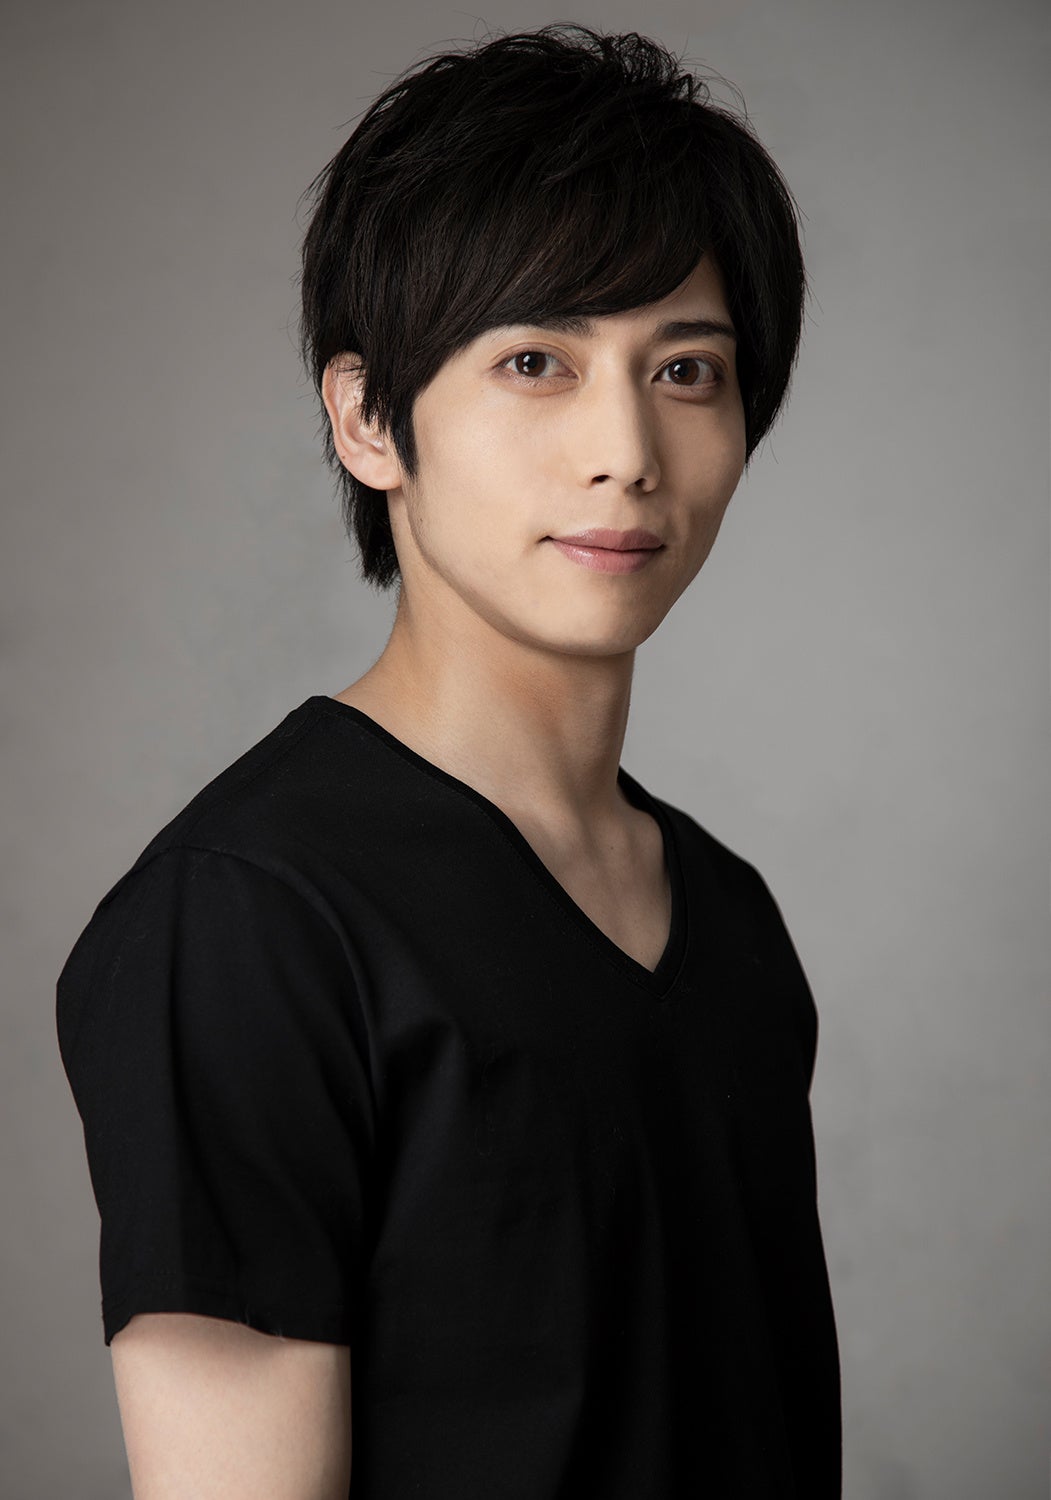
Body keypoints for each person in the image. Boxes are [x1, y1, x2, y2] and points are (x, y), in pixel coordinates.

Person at [56, 22, 841, 1498]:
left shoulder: (731, 917)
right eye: (536, 361)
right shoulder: (247, 921)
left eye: (687, 369)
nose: (626, 450)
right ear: (369, 419)